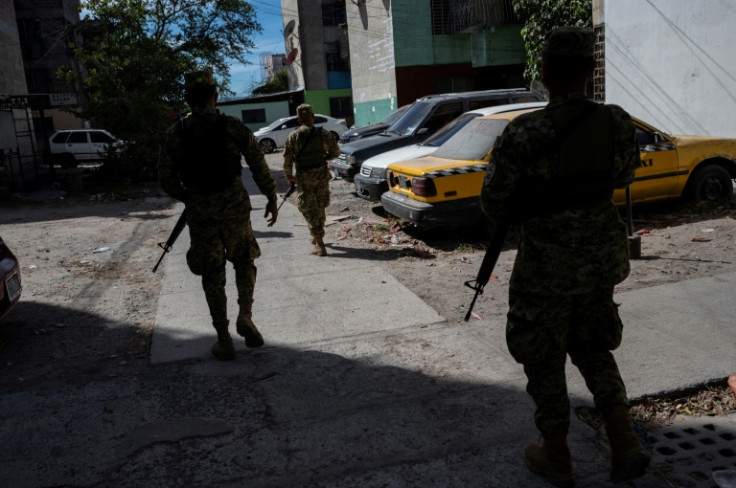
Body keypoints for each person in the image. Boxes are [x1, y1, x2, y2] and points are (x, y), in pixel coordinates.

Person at [479, 27, 650, 486]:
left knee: (543, 354)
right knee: (593, 346)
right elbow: (626, 174)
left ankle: (556, 453)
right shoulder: (616, 121)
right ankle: (625, 439)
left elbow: (494, 204)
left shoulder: (525, 131)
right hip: (599, 260)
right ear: (591, 73)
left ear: (546, 72)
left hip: (546, 268)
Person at [159, 69, 279, 361]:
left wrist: (190, 197)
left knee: (212, 273)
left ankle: (224, 339)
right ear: (215, 96)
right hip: (235, 207)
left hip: (201, 214)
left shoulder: (176, 132)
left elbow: (166, 177)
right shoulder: (232, 126)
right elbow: (258, 163)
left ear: (187, 98)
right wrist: (271, 196)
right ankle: (245, 315)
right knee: (243, 261)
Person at [282, 104, 340, 256]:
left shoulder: (293, 136)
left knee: (309, 210)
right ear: (313, 117)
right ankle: (317, 235)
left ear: (298, 119)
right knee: (319, 206)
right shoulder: (323, 134)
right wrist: (324, 158)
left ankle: (320, 245)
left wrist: (289, 176)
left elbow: (287, 158)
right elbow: (335, 152)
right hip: (321, 176)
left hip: (305, 178)